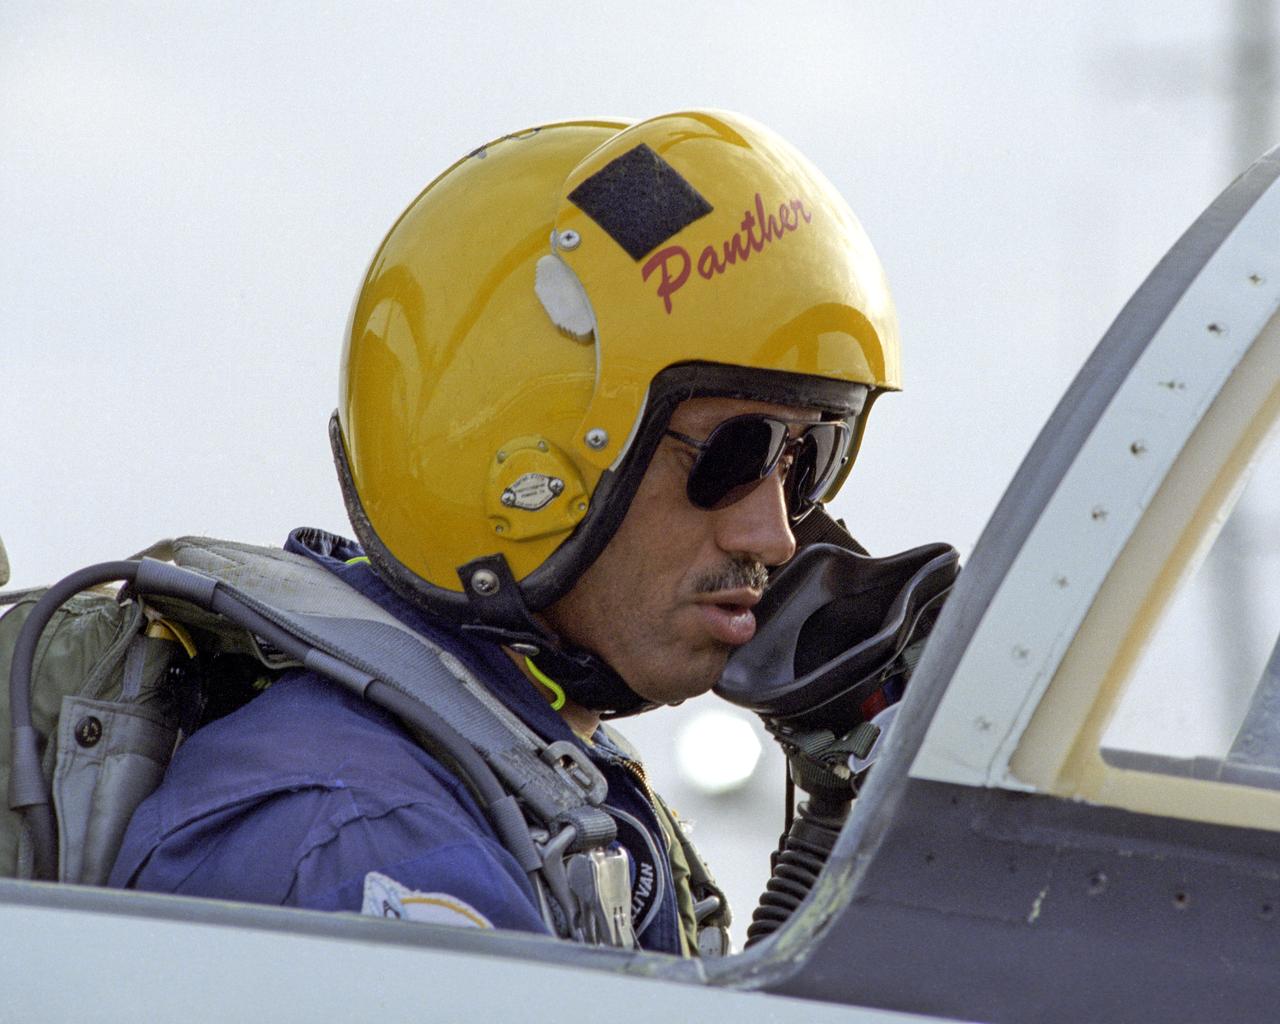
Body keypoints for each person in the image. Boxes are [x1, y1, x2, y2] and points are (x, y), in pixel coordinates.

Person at [108, 109, 901, 956]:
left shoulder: (540, 776)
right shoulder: (377, 846)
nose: (776, 535)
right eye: (733, 455)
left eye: (805, 458)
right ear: (526, 467)